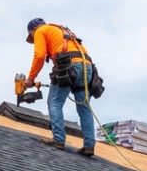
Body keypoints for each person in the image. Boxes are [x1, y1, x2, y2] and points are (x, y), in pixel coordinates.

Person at [25, 18, 98, 156]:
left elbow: (39, 56)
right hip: (86, 67)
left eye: (32, 38)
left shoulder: (40, 30)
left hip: (68, 66)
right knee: (84, 107)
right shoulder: (61, 31)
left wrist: (30, 79)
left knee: (54, 102)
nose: (34, 41)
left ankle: (58, 139)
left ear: (33, 30)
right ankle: (89, 145)